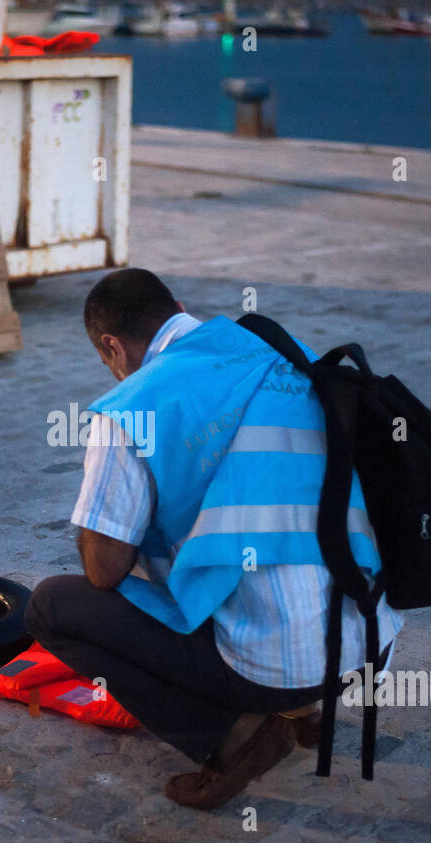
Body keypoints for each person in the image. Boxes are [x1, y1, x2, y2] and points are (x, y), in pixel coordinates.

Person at [25, 268, 403, 810]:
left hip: (274, 670)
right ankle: (304, 713)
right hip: (369, 644)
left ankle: (234, 734)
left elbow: (103, 569)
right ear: (177, 306)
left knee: (52, 606)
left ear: (111, 347)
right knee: (244, 550)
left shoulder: (135, 408)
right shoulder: (276, 347)